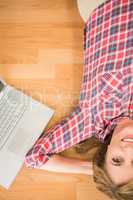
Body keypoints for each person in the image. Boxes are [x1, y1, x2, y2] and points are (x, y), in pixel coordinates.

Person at [25, 0, 133, 199]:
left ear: (106, 153)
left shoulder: (90, 120)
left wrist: (95, 169)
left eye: (117, 160)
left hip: (103, 5)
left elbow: (35, 158)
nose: (128, 149)